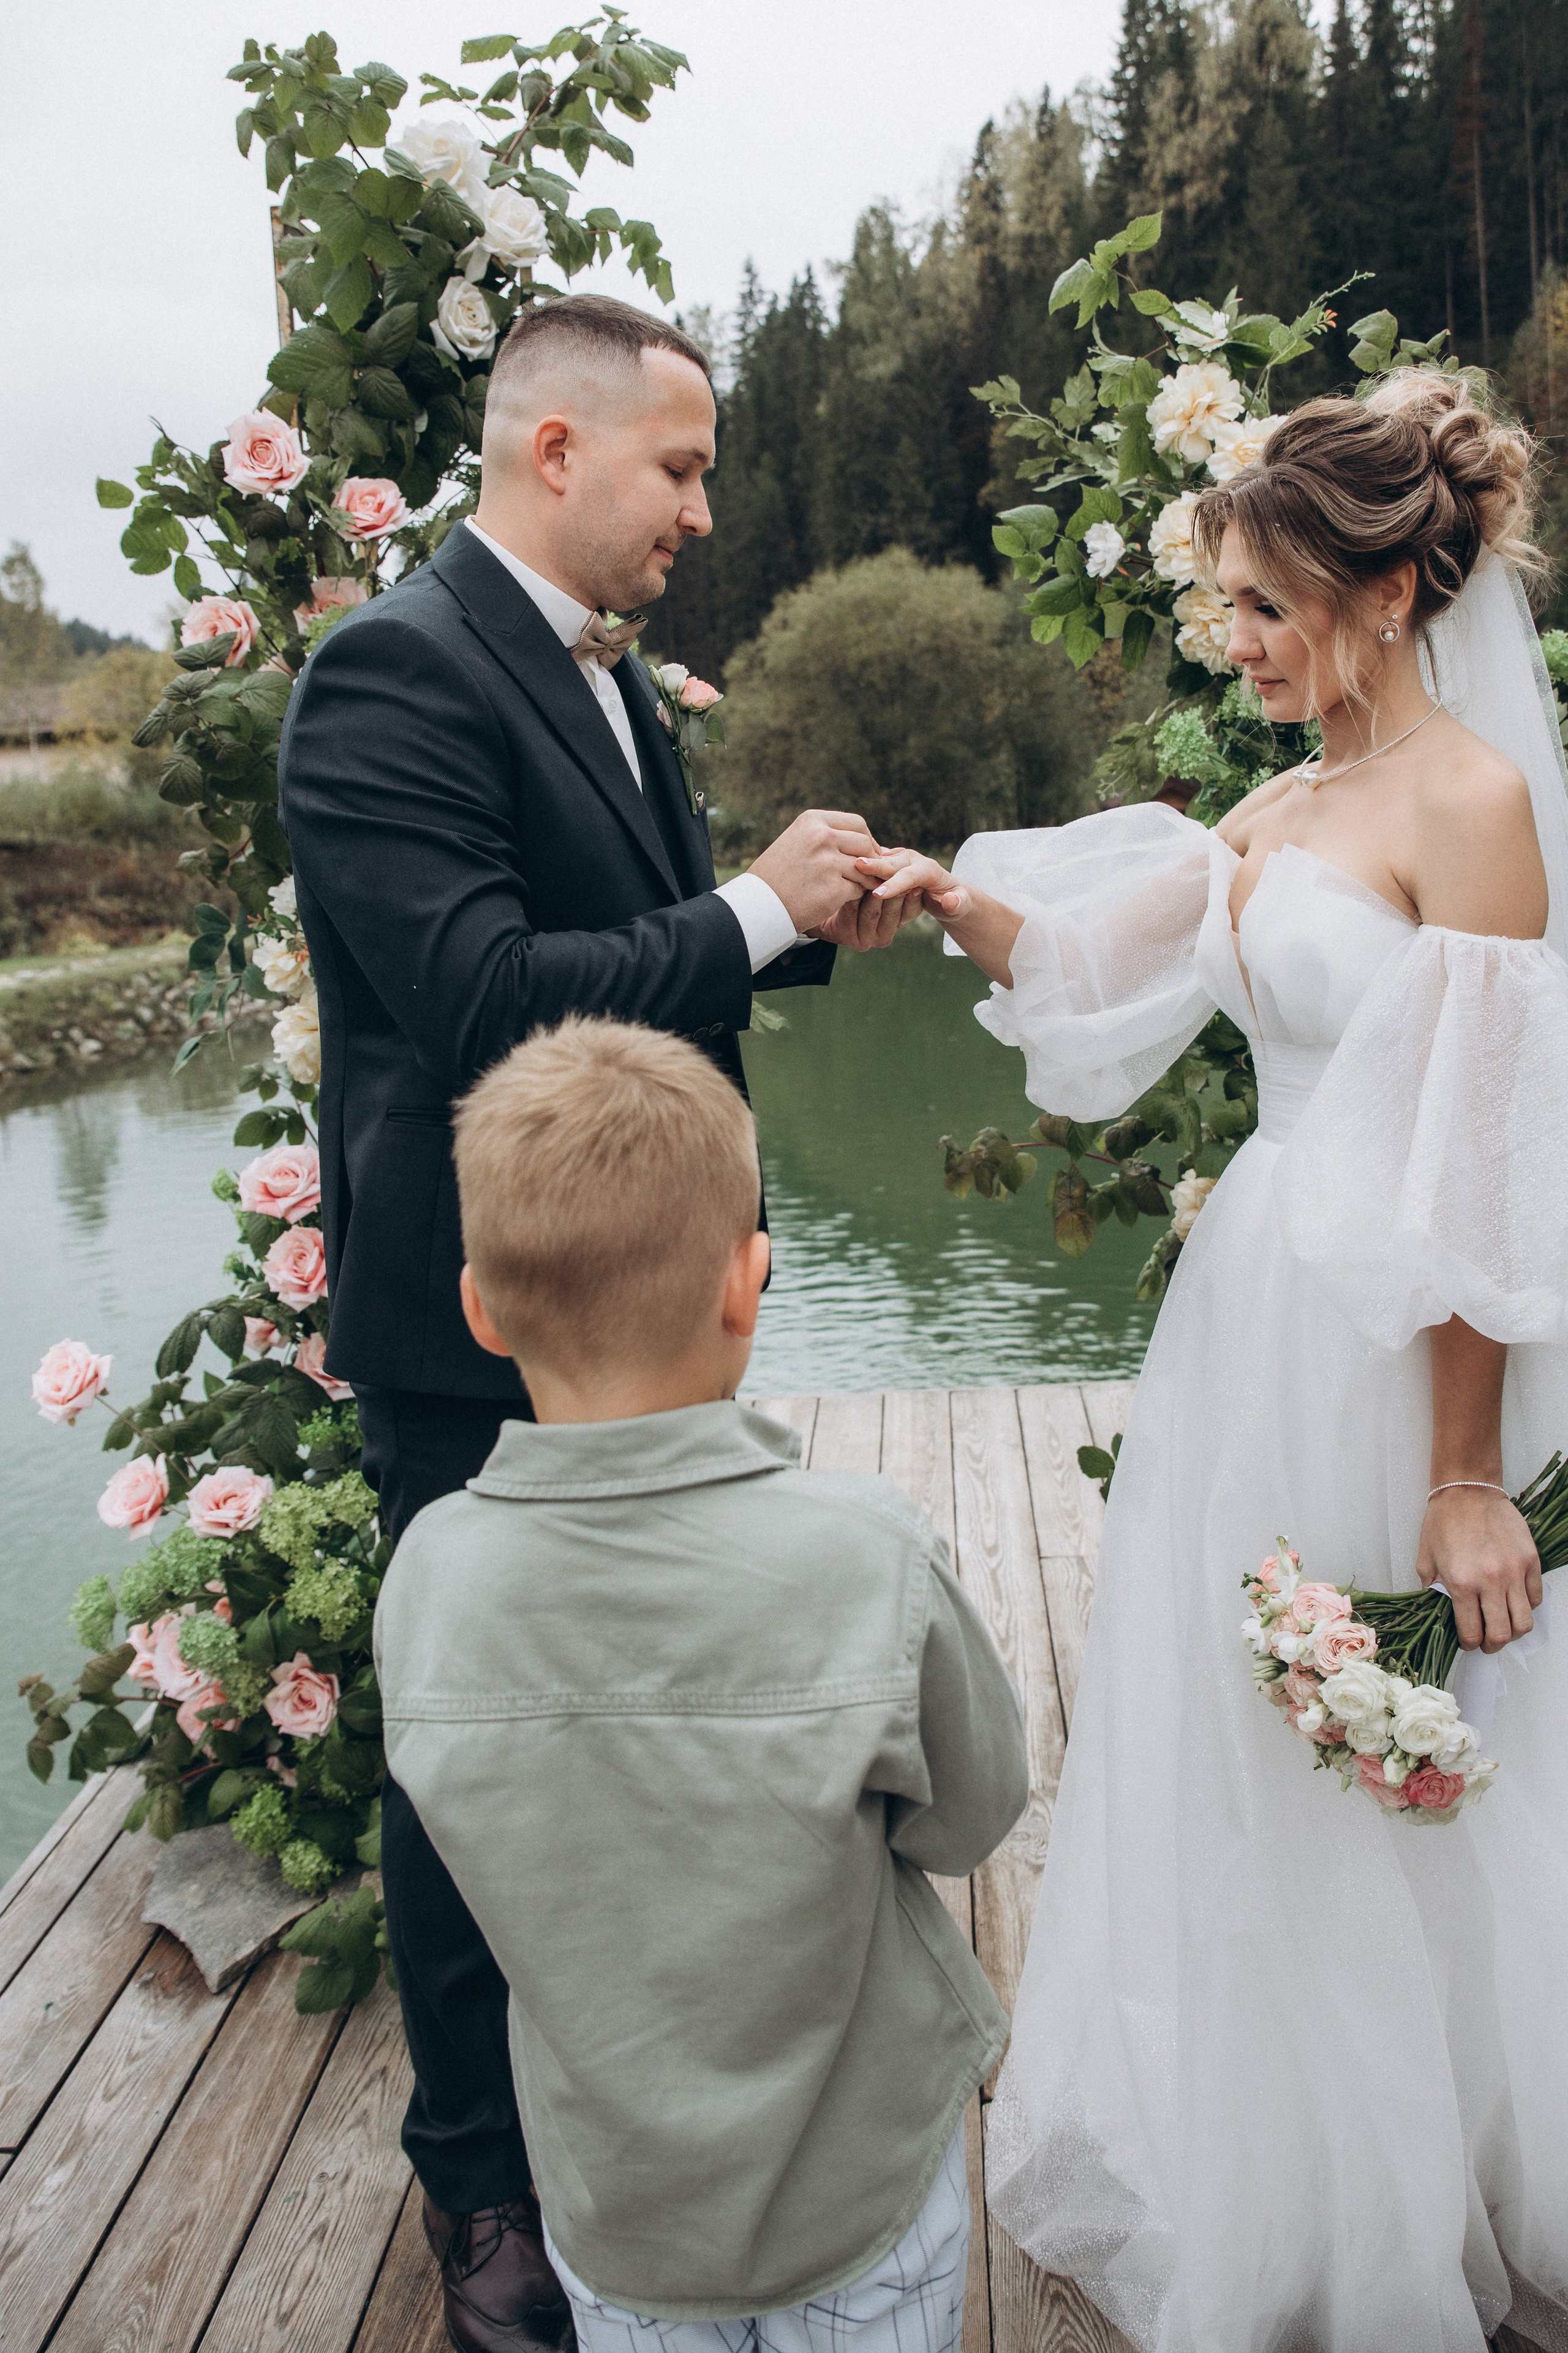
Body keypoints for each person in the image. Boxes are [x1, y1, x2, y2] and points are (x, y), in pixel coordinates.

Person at [858, 372, 1568, 2351]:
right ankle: (1283, 2166)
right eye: (1229, 607)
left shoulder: (1478, 811)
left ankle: (1434, 2194)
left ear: (1397, 585)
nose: (1236, 644)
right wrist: (954, 906)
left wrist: (1464, 1471)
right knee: (1251, 1758)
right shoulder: (1280, 800)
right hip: (1251, 1318)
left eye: (1267, 607)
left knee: (1397, 1754)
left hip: (1398, 1340)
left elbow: (1481, 1180)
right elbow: (1110, 975)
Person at [278, 293, 903, 2352]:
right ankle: (480, 2187)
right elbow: (480, 997)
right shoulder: (390, 672)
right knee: (473, 1757)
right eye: (684, 466)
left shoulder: (611, 686)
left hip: (645, 1315)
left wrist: (800, 939)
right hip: (483, 1326)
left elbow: (623, 955)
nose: (702, 513)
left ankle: (648, 2096)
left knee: (640, 1727)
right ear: (556, 452)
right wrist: (744, 909)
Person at [374, 1014, 1029, 2353]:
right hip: (856, 2199)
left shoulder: (432, 1574)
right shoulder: (864, 1553)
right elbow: (971, 1815)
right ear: (749, 1282)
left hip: (616, 2219)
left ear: (481, 1309)